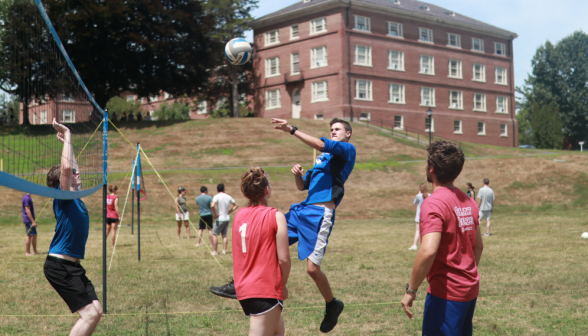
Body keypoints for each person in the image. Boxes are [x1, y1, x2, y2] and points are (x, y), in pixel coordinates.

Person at [400, 141, 483, 336]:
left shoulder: (433, 203)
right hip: (469, 291)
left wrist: (410, 290)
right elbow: (478, 247)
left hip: (446, 295)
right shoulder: (469, 201)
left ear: (432, 168)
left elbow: (428, 250)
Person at [44, 118, 103, 335]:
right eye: (72, 174)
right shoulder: (64, 197)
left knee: (97, 310)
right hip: (59, 266)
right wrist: (67, 133)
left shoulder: (76, 197)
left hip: (73, 267)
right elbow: (68, 169)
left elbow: (71, 166)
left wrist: (67, 145)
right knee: (90, 314)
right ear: (62, 182)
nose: (78, 173)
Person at [232, 167, 291, 336]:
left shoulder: (238, 216)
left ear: (245, 193)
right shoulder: (276, 216)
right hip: (264, 290)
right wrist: (283, 286)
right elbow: (284, 260)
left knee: (278, 331)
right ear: (267, 190)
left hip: (244, 289)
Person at [211, 183, 239, 255]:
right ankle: (224, 251)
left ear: (217, 190)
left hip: (220, 218)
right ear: (224, 189)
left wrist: (215, 214)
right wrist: (229, 212)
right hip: (227, 218)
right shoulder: (228, 196)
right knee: (224, 235)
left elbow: (212, 205)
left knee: (214, 234)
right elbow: (236, 205)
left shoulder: (216, 196)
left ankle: (215, 251)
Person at [408, 184, 428, 251]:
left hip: (419, 216)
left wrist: (418, 194)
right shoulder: (430, 195)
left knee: (418, 231)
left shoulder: (418, 196)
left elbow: (415, 202)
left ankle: (414, 245)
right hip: (427, 215)